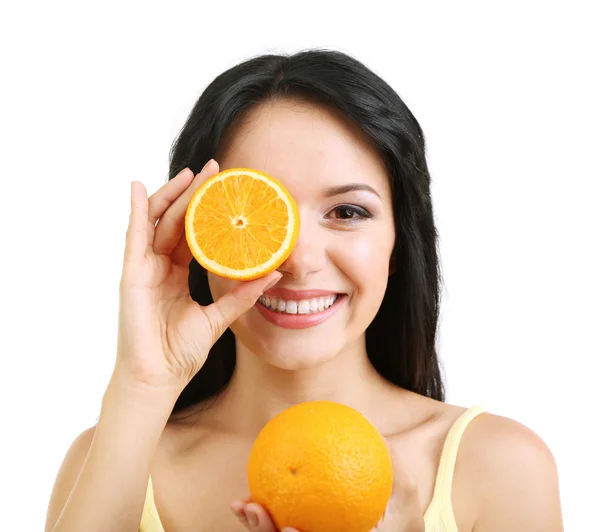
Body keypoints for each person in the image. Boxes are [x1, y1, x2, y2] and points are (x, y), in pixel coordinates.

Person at [45, 50, 563, 532]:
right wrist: (142, 382)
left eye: (346, 213)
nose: (298, 259)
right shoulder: (112, 458)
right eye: (259, 217)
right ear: (201, 234)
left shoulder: (500, 467)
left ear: (398, 241)